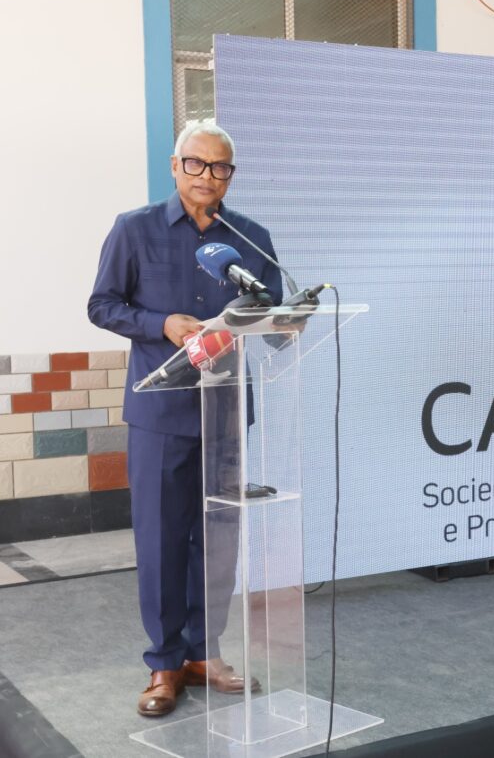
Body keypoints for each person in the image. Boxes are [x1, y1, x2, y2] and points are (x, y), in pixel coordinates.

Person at [88, 122, 283, 716]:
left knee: (218, 540)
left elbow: (274, 312)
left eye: (220, 167)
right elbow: (102, 305)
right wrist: (161, 324)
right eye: (196, 164)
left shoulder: (249, 237)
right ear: (175, 166)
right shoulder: (135, 229)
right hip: (160, 412)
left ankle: (205, 651)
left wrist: (280, 320)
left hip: (226, 411)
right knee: (162, 540)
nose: (207, 176)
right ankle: (165, 663)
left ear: (231, 175)